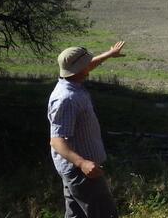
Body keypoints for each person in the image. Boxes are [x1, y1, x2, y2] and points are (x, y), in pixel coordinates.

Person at [48, 41, 126, 218]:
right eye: (86, 64)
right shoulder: (67, 99)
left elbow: (87, 66)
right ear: (78, 70)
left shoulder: (70, 83)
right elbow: (57, 140)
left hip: (73, 170)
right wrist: (82, 163)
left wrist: (109, 54)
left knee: (76, 215)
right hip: (81, 173)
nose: (89, 66)